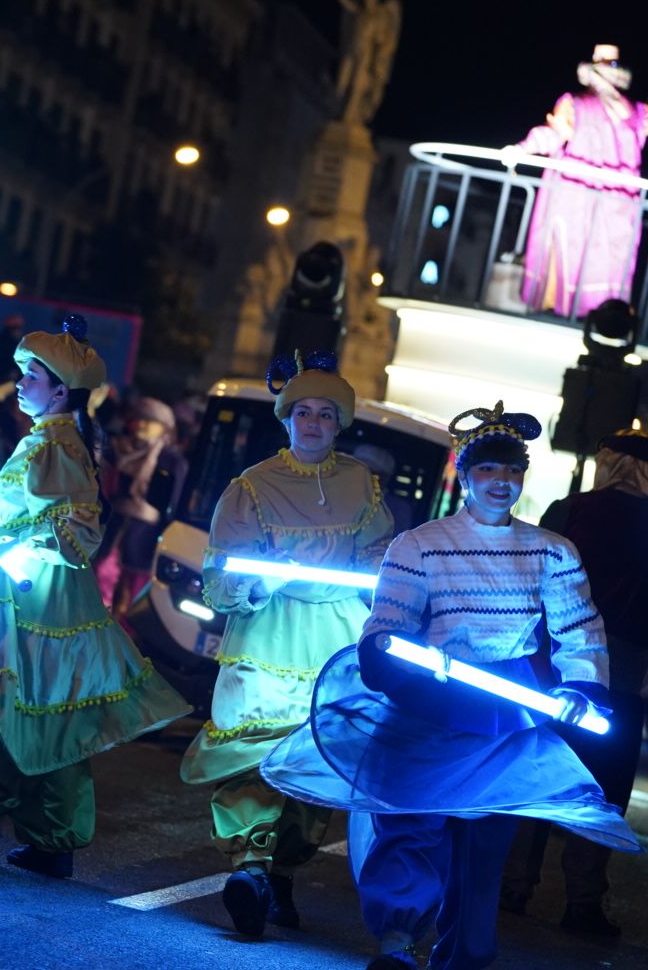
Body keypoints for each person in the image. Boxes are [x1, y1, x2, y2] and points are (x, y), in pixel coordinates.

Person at [260, 403, 635, 970]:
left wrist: (581, 690)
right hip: (428, 700)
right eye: (489, 470)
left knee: (483, 847)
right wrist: (387, 653)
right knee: (409, 824)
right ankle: (397, 944)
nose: (501, 483)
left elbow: (579, 631)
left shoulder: (552, 552)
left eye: (512, 472)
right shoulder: (418, 545)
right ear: (466, 474)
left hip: (506, 712)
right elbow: (388, 622)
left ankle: (464, 955)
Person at [0, 319, 190, 877]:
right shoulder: (47, 440)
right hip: (16, 588)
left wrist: (7, 540)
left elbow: (79, 532)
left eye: (32, 376)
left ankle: (44, 834)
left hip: (38, 596)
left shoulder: (58, 447)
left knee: (38, 707)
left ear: (61, 390)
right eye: (22, 373)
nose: (21, 383)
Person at [180, 350, 394, 936]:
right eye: (304, 411)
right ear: (286, 416)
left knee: (316, 758)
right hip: (266, 635)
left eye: (327, 413)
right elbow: (220, 579)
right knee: (251, 754)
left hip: (332, 641)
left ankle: (281, 873)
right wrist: (258, 581)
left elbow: (382, 564)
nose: (315, 423)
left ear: (340, 421)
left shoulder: (361, 484)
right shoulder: (250, 487)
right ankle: (250, 868)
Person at [500, 428, 648, 937]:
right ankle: (582, 901)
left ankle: (512, 885)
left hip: (553, 664)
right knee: (602, 787)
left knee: (537, 766)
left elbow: (528, 581)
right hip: (624, 675)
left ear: (607, 462)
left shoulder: (569, 509)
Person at [513, 44, 647, 318]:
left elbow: (554, 134)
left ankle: (598, 317)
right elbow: (554, 133)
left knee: (600, 260)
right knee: (580, 257)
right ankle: (586, 315)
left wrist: (523, 147)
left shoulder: (637, 113)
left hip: (597, 199)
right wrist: (524, 148)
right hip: (590, 198)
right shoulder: (582, 104)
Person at [97, 395, 188, 618]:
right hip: (112, 527)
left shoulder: (172, 461)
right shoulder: (116, 449)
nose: (143, 425)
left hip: (145, 536)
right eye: (140, 419)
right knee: (100, 580)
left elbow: (174, 504)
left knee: (134, 594)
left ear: (165, 429)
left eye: (151, 422)